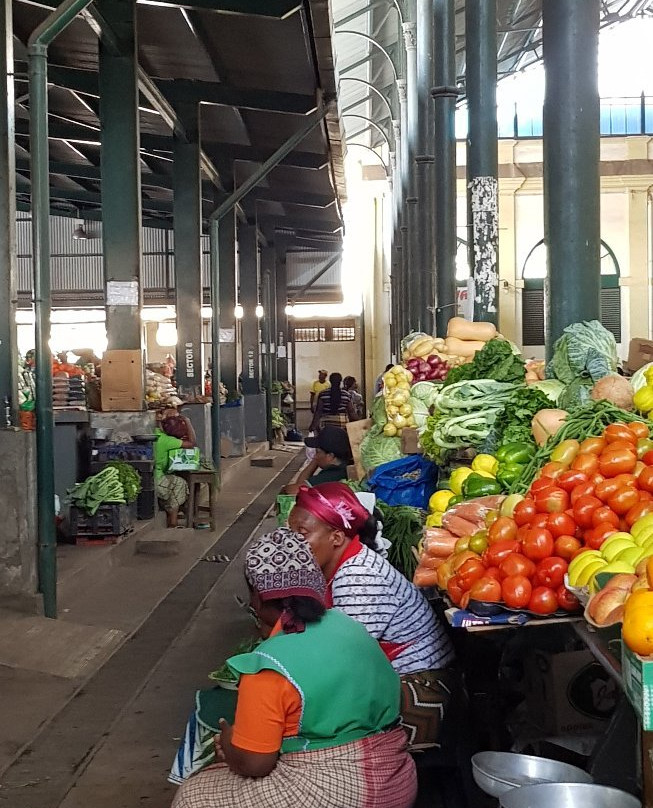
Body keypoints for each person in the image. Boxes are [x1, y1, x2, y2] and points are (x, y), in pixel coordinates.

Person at [170, 528, 417, 808]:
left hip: (344, 791)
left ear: (258, 597)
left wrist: (229, 746)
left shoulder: (269, 663)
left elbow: (255, 763)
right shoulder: (350, 627)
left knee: (195, 794)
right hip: (396, 779)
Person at [289, 482, 457, 750]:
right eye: (290, 533)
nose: (293, 544)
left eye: (302, 534)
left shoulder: (357, 578)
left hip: (423, 688)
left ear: (335, 536)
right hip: (393, 676)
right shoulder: (340, 564)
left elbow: (345, 665)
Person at [283, 426, 352, 494]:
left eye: (318, 452)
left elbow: (295, 490)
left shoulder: (330, 476)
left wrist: (284, 489)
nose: (315, 456)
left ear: (330, 456)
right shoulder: (344, 467)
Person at [154, 415, 196, 528]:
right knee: (179, 483)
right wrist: (188, 421)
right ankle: (173, 521)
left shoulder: (156, 433)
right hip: (155, 480)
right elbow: (192, 443)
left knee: (171, 481)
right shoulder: (168, 441)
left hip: (150, 478)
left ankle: (170, 513)